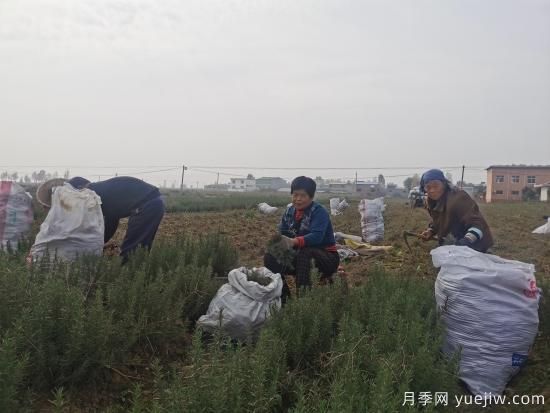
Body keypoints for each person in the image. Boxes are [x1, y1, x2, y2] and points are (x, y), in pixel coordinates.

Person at [264, 176, 340, 300]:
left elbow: (317, 237)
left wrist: (294, 241)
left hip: (327, 258)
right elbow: (283, 232)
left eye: (303, 196)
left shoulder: (319, 212)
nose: (298, 199)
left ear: (311, 196)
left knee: (305, 253)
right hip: (299, 256)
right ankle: (284, 299)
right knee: (271, 256)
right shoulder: (289, 212)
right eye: (295, 195)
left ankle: (304, 302)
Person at [68, 176, 165, 261]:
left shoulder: (94, 194)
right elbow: (112, 219)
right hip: (155, 202)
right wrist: (100, 243)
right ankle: (139, 273)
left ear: (80, 188)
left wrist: (96, 245)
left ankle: (128, 276)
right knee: (141, 247)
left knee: (132, 251)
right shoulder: (101, 189)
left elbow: (110, 223)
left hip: (147, 205)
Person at [419, 169, 493, 252]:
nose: (432, 190)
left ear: (444, 184)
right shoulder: (432, 202)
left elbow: (478, 225)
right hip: (453, 242)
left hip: (476, 246)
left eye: (436, 186)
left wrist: (466, 241)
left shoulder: (458, 198)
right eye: (428, 187)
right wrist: (431, 231)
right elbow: (439, 221)